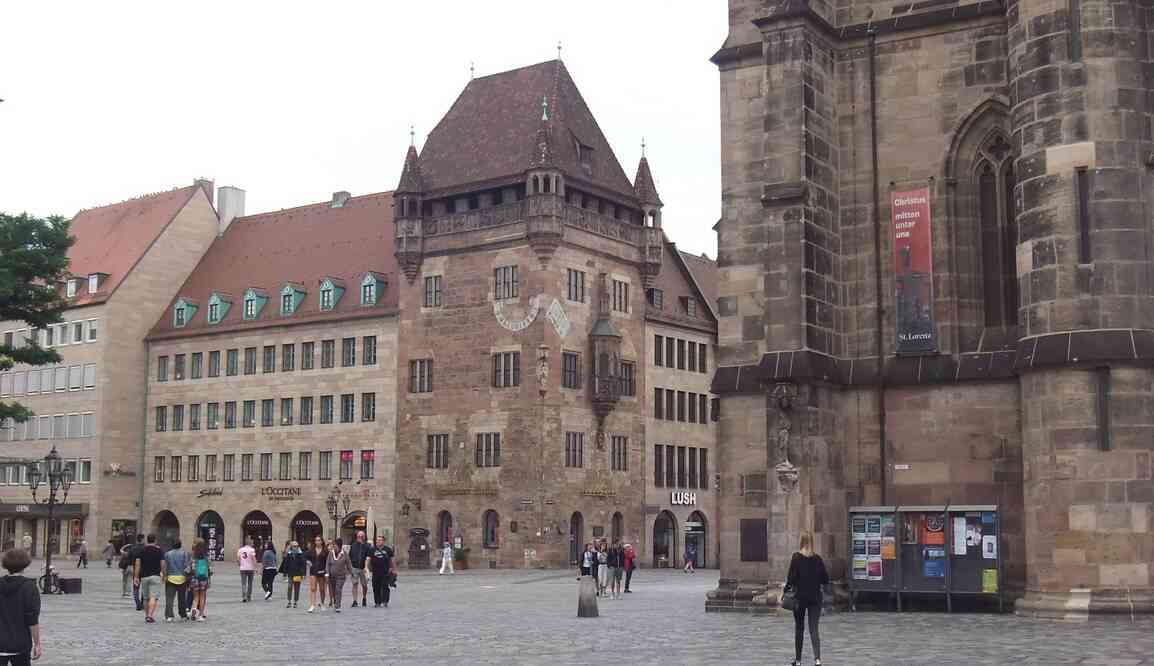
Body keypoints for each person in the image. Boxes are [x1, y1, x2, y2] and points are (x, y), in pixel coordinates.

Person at [786, 531, 829, 666]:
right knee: (814, 629)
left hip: (799, 598)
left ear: (801, 541)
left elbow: (791, 579)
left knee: (799, 628)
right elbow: (825, 579)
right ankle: (817, 659)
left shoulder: (796, 557)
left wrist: (786, 589)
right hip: (815, 598)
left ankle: (798, 661)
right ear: (812, 542)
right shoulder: (817, 559)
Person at [0, 548, 42, 664]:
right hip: (20, 643)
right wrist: (37, 643)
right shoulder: (29, 587)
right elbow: (32, 620)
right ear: (25, 565)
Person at [133, 534, 165, 624]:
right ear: (155, 540)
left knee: (146, 598)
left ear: (147, 540)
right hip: (155, 576)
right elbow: (162, 563)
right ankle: (150, 615)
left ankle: (147, 615)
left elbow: (137, 564)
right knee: (153, 597)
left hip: (144, 576)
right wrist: (163, 573)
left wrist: (136, 576)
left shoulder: (142, 550)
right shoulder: (159, 550)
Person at [162, 539, 191, 623]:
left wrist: (164, 576)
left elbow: (165, 566)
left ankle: (169, 616)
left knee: (169, 598)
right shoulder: (185, 553)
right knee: (182, 598)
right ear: (180, 545)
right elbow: (187, 566)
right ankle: (183, 615)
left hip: (170, 578)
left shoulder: (167, 554)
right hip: (182, 578)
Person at [367, 535, 395, 608]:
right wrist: (369, 568)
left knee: (385, 587)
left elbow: (391, 560)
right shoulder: (372, 549)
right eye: (377, 540)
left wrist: (392, 568)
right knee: (376, 587)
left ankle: (385, 601)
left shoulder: (388, 549)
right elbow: (369, 560)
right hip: (376, 572)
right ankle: (377, 602)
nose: (378, 541)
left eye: (380, 540)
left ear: (383, 541)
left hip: (385, 571)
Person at [326, 538, 352, 612]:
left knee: (338, 589)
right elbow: (327, 564)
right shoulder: (331, 553)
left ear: (339, 546)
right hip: (332, 576)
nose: (333, 546)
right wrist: (327, 573)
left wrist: (352, 573)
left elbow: (349, 564)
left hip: (341, 576)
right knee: (333, 590)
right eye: (333, 545)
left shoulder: (345, 554)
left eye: (335, 545)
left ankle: (338, 605)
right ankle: (335, 601)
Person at [279, 541, 306, 609]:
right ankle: (289, 601)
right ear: (291, 547)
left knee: (297, 588)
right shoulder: (289, 554)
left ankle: (295, 602)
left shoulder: (300, 554)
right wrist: (285, 573)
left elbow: (303, 564)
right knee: (290, 587)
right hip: (290, 573)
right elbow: (286, 564)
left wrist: (303, 574)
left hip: (298, 573)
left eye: (296, 546)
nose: (295, 547)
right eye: (294, 546)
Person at [189, 540, 212, 621]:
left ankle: (194, 609)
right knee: (202, 597)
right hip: (204, 579)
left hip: (195, 578)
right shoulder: (206, 557)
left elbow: (192, 568)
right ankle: (200, 615)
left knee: (195, 597)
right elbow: (210, 569)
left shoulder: (193, 556)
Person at [348, 531, 370, 608]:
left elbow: (368, 557)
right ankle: (355, 601)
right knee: (355, 584)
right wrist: (349, 567)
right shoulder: (353, 545)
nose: (360, 537)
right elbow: (349, 556)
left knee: (364, 585)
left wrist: (366, 567)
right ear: (356, 537)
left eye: (361, 536)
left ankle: (364, 598)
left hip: (363, 568)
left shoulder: (367, 546)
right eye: (358, 536)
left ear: (364, 537)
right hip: (354, 567)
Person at [306, 536, 328, 613]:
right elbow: (305, 557)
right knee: (313, 588)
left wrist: (327, 572)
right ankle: (312, 605)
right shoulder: (311, 550)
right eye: (316, 540)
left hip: (322, 571)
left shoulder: (325, 551)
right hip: (313, 571)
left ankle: (322, 603)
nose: (317, 542)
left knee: (322, 589)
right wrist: (307, 562)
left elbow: (327, 561)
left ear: (322, 541)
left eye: (319, 540)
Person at [126, 534, 145, 609]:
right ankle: (143, 603)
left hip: (135, 570)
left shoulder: (133, 548)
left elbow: (128, 558)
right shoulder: (145, 548)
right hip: (144, 570)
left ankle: (138, 604)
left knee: (136, 587)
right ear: (143, 539)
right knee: (144, 588)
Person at [236, 537, 256, 603]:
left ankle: (244, 596)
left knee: (243, 583)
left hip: (243, 568)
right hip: (250, 568)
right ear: (250, 543)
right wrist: (255, 567)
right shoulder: (252, 550)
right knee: (250, 583)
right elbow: (253, 559)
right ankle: (249, 596)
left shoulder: (240, 550)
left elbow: (238, 559)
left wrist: (240, 564)